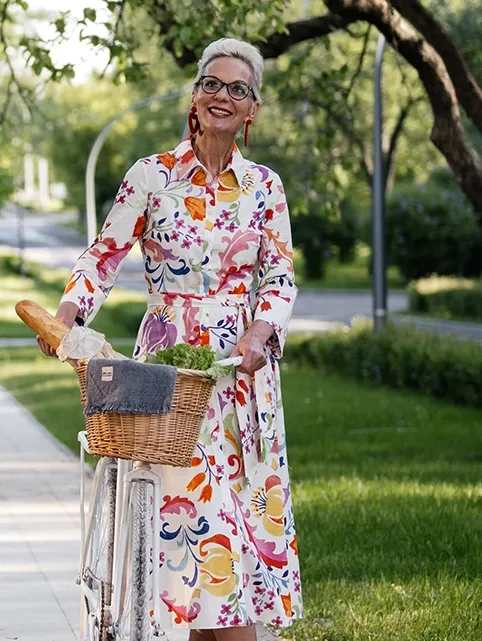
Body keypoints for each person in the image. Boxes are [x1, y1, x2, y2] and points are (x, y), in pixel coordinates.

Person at [37, 38, 302, 640]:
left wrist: (262, 330)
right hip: (170, 376)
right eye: (212, 83)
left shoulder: (266, 186)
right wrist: (67, 317)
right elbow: (103, 256)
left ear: (252, 108)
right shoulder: (151, 176)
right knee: (192, 542)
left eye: (238, 88)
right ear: (195, 95)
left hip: (241, 375)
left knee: (236, 530)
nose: (223, 96)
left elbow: (280, 275)